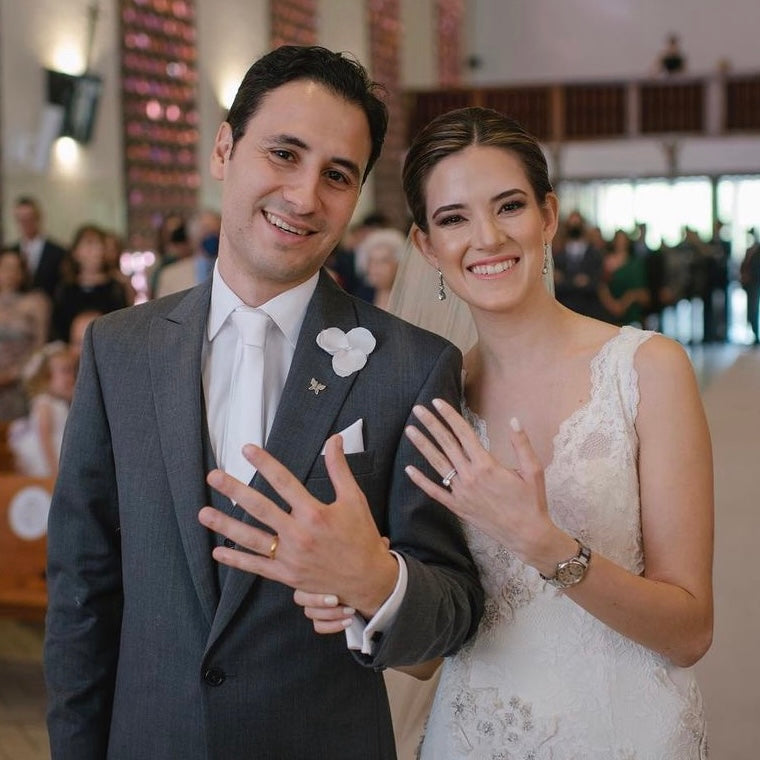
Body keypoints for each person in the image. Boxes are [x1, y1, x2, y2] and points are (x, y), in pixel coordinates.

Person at [44, 45, 483, 760]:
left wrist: (378, 582)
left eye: (337, 175)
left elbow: (453, 609)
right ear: (224, 149)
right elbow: (81, 593)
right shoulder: (119, 351)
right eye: (284, 153)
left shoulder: (411, 366)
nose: (306, 196)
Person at [304, 107, 713, 758]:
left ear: (548, 216)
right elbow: (425, 660)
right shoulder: (430, 403)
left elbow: (689, 632)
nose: (487, 237)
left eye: (510, 206)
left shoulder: (645, 369)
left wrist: (545, 544)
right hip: (474, 736)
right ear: (426, 246)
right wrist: (369, 587)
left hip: (627, 733)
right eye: (454, 218)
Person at [50, 223, 129, 341]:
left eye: (99, 244)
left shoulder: (116, 287)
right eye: (89, 244)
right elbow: (57, 328)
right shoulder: (65, 288)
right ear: (76, 252)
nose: (95, 250)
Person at [8, 341, 76, 477]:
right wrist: (54, 470)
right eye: (65, 371)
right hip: (49, 458)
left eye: (72, 371)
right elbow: (44, 438)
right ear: (46, 377)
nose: (71, 377)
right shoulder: (44, 403)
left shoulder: (61, 403)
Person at [0, 248, 50, 421]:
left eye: (16, 268)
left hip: (24, 384)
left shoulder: (36, 302)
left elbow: (40, 347)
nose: (10, 273)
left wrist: (14, 374)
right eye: (5, 267)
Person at [9, 195, 67, 300]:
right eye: (21, 219)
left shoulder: (58, 252)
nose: (26, 223)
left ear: (38, 217)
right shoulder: (10, 252)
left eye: (29, 218)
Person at [354, 227, 406, 310]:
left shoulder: (408, 299)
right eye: (372, 261)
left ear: (398, 264)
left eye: (383, 261)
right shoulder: (360, 297)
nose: (376, 267)